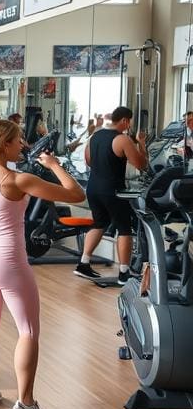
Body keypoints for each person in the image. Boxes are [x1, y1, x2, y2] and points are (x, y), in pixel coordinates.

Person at [0, 120, 85, 409]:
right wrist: (54, 165)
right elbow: (76, 194)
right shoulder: (19, 179)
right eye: (18, 141)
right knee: (28, 331)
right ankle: (26, 403)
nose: (23, 145)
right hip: (7, 259)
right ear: (4, 145)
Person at [75, 106, 147, 284]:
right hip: (113, 190)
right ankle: (124, 273)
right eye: (129, 121)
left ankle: (83, 263)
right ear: (125, 121)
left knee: (99, 223)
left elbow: (89, 161)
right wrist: (141, 144)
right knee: (124, 228)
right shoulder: (121, 139)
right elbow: (141, 164)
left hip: (93, 188)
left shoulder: (95, 135)